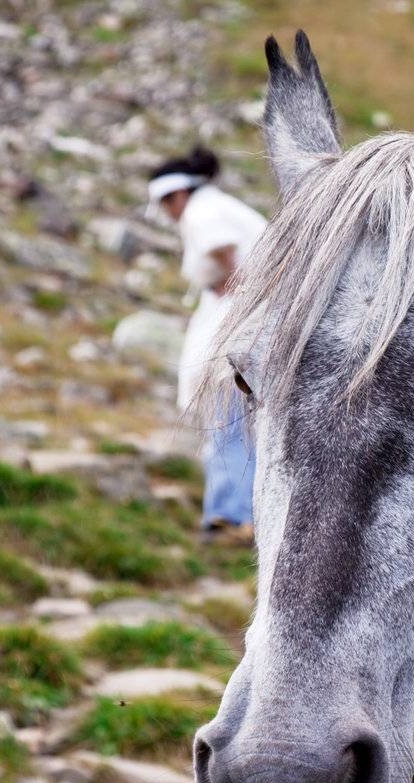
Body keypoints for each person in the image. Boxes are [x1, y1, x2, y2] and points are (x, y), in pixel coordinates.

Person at [146, 145, 267, 541]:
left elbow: (230, 256)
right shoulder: (217, 205)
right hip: (245, 313)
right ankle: (231, 511)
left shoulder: (203, 211)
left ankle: (235, 516)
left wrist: (238, 293)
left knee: (226, 413)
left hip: (239, 319)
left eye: (167, 203)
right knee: (233, 417)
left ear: (176, 195)